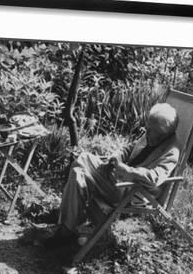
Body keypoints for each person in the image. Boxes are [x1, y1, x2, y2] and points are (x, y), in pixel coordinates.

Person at [45, 102, 180, 248]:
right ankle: (67, 229)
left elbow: (155, 177)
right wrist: (115, 158)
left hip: (132, 190)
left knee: (84, 158)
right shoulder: (152, 133)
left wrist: (126, 171)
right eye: (147, 128)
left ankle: (66, 226)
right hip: (118, 180)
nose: (146, 132)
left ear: (163, 134)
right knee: (79, 172)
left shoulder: (172, 151)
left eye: (151, 130)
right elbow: (129, 149)